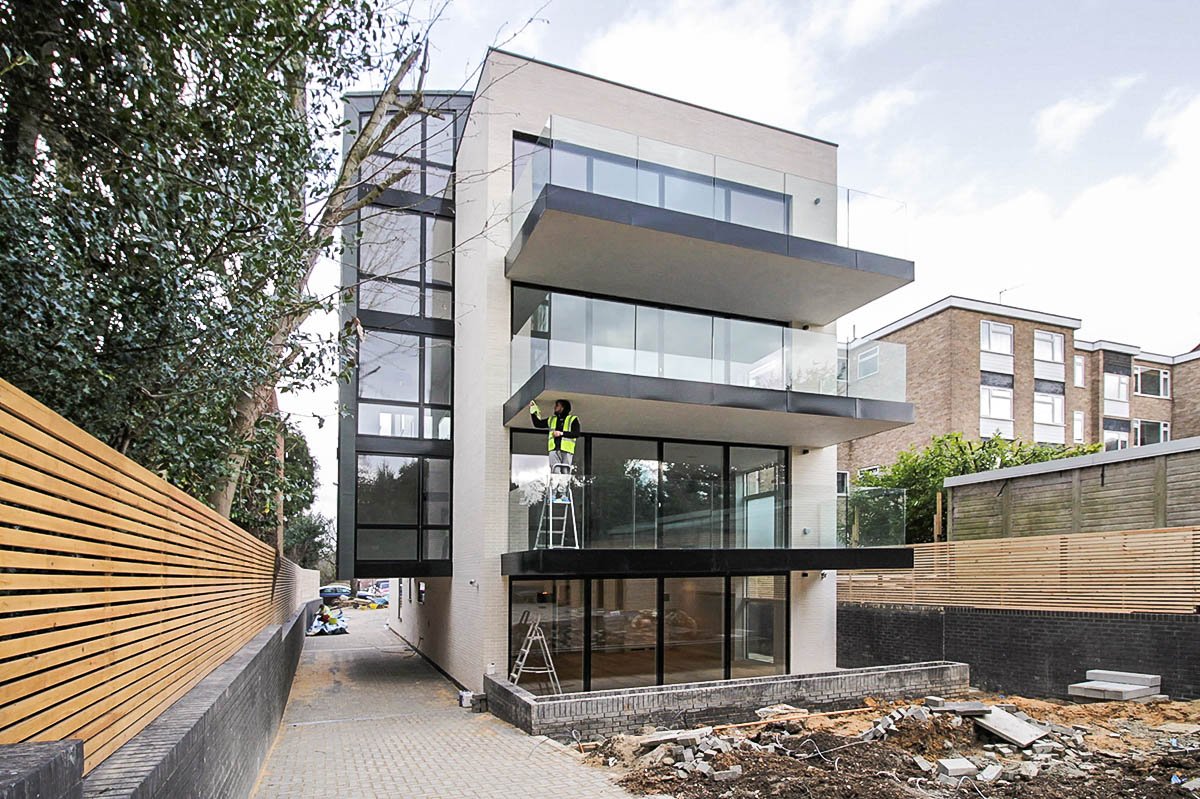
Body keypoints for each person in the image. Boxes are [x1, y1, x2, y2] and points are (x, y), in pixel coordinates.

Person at [529, 398, 580, 474]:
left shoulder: (573, 419)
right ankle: (556, 486)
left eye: (557, 405)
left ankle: (563, 486)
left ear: (563, 407)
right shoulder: (552, 420)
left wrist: (561, 433)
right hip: (553, 450)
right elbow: (537, 424)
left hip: (566, 451)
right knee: (555, 472)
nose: (555, 407)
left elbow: (576, 434)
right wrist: (533, 412)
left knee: (565, 473)